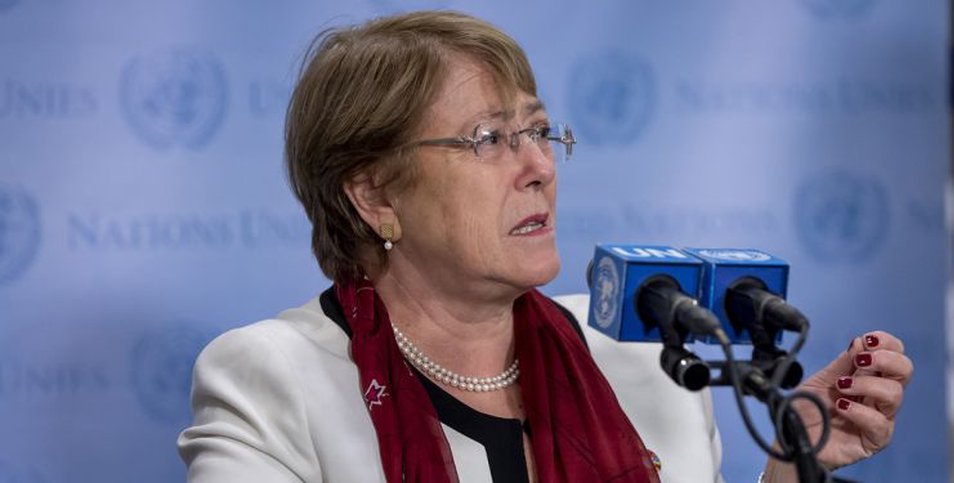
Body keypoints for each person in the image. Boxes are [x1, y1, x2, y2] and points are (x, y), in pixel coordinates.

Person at [177, 10, 913, 482]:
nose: (539, 167)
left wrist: (792, 462)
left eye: (538, 131)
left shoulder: (643, 360)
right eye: (491, 139)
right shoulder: (270, 380)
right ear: (376, 196)